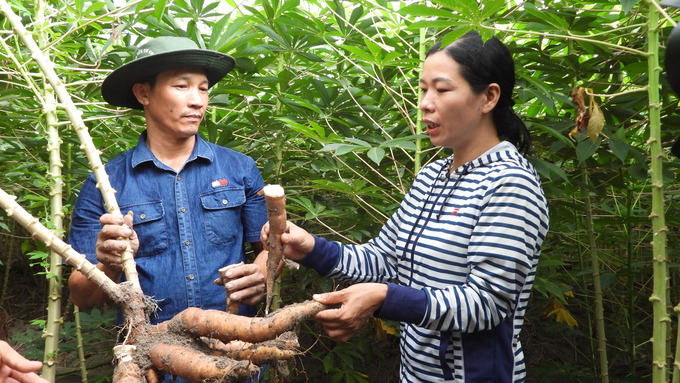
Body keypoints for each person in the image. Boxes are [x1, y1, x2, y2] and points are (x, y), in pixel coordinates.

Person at [261, 31, 549, 383]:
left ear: (488, 97)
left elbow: (487, 304)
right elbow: (384, 260)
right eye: (424, 89)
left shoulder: (510, 184)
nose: (426, 103)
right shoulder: (432, 176)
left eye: (442, 90)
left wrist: (385, 297)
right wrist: (311, 249)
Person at [67, 36, 271, 381]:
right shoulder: (106, 184)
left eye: (203, 89)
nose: (197, 101)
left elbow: (270, 248)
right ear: (143, 93)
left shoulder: (240, 168)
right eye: (181, 86)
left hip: (236, 350)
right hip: (152, 362)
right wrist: (108, 262)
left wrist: (263, 272)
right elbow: (81, 297)